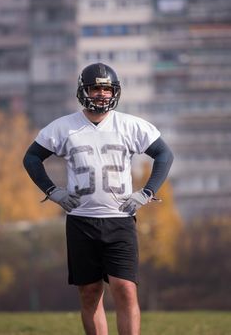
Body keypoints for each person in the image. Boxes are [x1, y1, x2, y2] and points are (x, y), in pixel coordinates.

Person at [23, 62, 174, 335]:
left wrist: (147, 191)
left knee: (125, 289)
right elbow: (31, 157)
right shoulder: (64, 127)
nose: (102, 94)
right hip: (81, 221)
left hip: (120, 221)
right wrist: (52, 191)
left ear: (114, 91)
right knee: (90, 292)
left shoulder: (129, 125)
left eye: (107, 88)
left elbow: (164, 154)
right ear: (84, 91)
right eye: (96, 88)